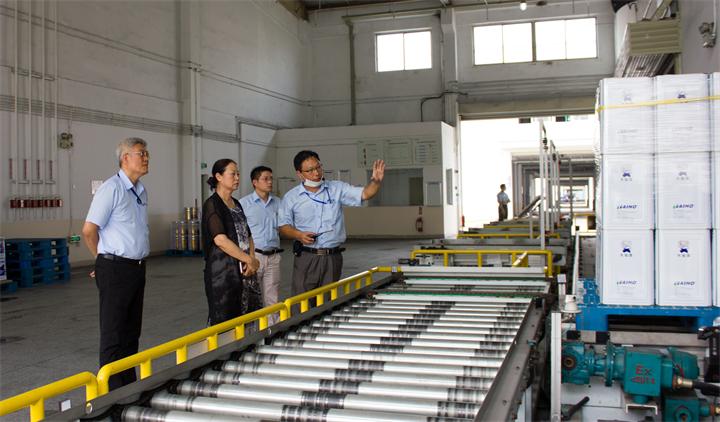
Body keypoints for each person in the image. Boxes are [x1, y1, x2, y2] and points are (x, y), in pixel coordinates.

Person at [82, 137, 150, 391]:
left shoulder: (141, 191)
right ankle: (111, 392)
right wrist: (100, 259)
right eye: (141, 153)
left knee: (131, 332)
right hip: (115, 268)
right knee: (113, 332)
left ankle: (127, 387)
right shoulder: (111, 189)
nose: (146, 158)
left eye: (147, 154)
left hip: (137, 268)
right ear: (125, 158)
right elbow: (89, 230)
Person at [279, 150, 385, 297]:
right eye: (310, 170)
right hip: (306, 257)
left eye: (318, 167)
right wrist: (299, 235)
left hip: (332, 258)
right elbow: (283, 227)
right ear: (299, 174)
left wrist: (376, 181)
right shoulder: (291, 197)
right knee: (301, 300)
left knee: (328, 301)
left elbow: (365, 194)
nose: (316, 173)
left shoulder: (336, 189)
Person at [201, 159, 262, 327]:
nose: (237, 178)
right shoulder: (212, 205)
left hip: (246, 270)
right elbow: (220, 240)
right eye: (232, 174)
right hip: (224, 273)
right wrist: (248, 259)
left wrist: (251, 258)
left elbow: (248, 234)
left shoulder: (237, 203)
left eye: (238, 174)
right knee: (226, 319)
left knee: (249, 317)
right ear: (218, 177)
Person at [239, 166, 282, 325]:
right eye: (265, 179)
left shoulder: (278, 203)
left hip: (274, 256)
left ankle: (273, 330)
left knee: (272, 297)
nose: (270, 182)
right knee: (251, 297)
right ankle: (251, 331)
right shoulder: (243, 204)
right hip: (253, 256)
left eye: (271, 178)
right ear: (255, 182)